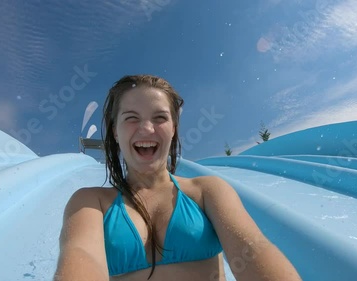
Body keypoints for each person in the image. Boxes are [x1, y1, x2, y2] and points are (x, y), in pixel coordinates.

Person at [54, 75, 301, 281]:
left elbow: (253, 249)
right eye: (131, 118)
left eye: (160, 118)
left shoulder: (207, 191)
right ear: (115, 132)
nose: (147, 129)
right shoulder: (89, 203)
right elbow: (80, 254)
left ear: (173, 128)